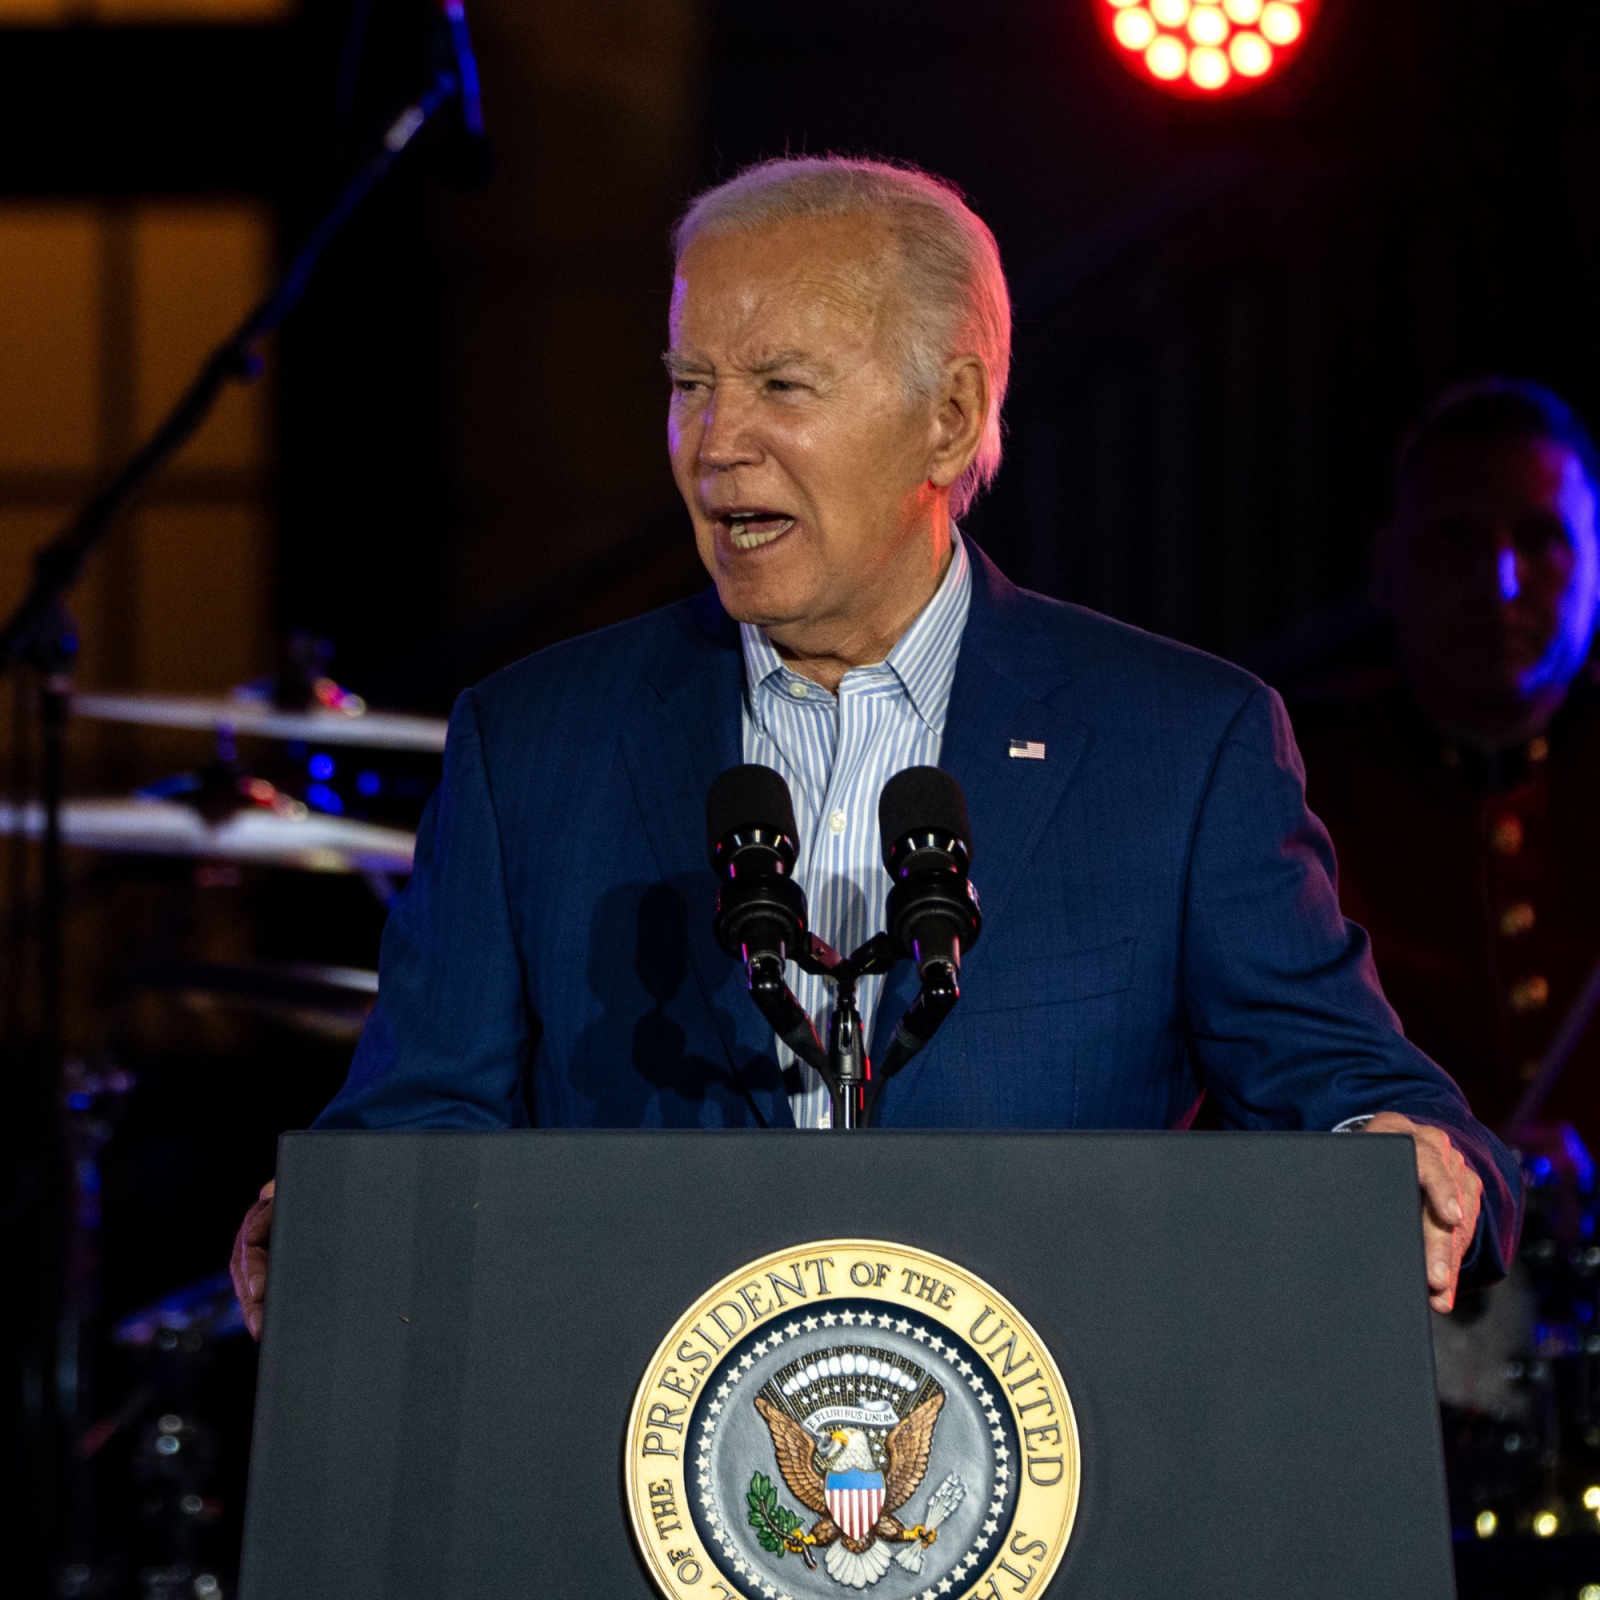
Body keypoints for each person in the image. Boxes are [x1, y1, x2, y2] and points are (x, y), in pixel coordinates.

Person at [232, 157, 1516, 1338]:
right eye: (689, 383)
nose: (714, 441)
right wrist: (344, 1217)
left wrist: (1398, 1153)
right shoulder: (531, 743)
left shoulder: (1178, 748)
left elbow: (1341, 1083)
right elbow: (417, 1119)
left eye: (781, 384)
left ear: (948, 416)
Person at [1287, 379, 1600, 1143]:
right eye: (1458, 540)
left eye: (1541, 539)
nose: (1501, 584)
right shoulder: (1294, 781)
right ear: (1386, 568)